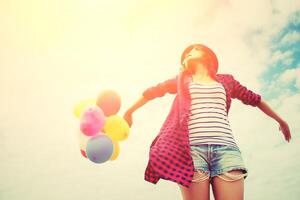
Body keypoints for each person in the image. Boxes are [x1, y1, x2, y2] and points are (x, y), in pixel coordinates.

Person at [123, 44, 291, 200]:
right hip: (191, 154)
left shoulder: (227, 81)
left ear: (207, 55)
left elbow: (254, 99)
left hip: (226, 151)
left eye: (193, 49)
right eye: (185, 54)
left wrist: (280, 120)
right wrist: (129, 111)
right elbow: (153, 92)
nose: (188, 53)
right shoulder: (181, 80)